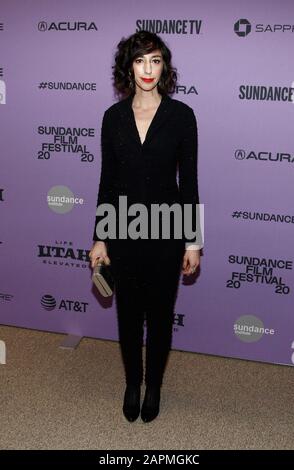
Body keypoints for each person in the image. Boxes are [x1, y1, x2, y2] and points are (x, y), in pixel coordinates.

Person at [89, 30, 203, 423]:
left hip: (167, 232)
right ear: (129, 66)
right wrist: (100, 237)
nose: (148, 69)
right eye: (140, 61)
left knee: (159, 316)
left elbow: (189, 183)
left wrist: (193, 242)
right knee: (127, 315)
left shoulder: (182, 116)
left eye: (155, 60)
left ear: (164, 65)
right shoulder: (112, 118)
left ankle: (153, 385)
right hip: (122, 230)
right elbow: (107, 181)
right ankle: (132, 383)